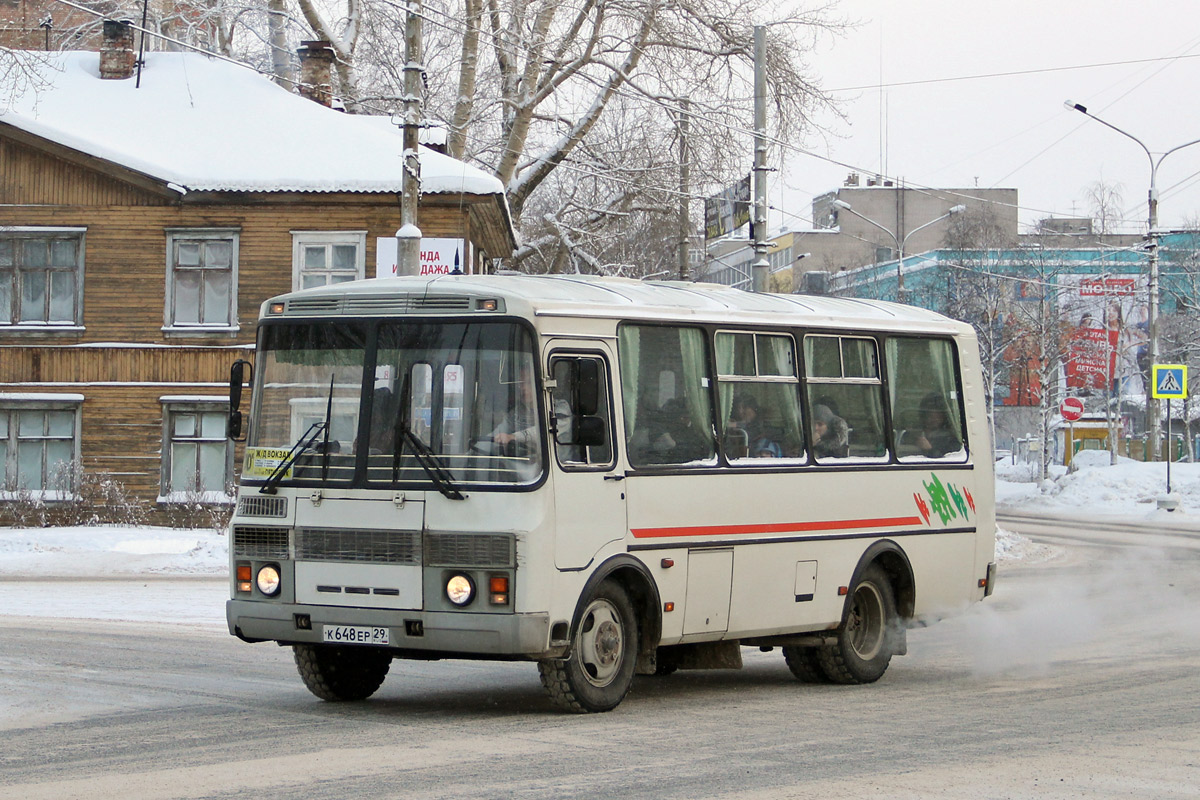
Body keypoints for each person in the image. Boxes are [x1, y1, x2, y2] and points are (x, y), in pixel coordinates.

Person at [912, 392, 961, 458]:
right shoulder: (911, 434)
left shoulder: (950, 439)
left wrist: (929, 450)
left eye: (937, 415)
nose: (933, 419)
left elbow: (949, 462)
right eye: (929, 415)